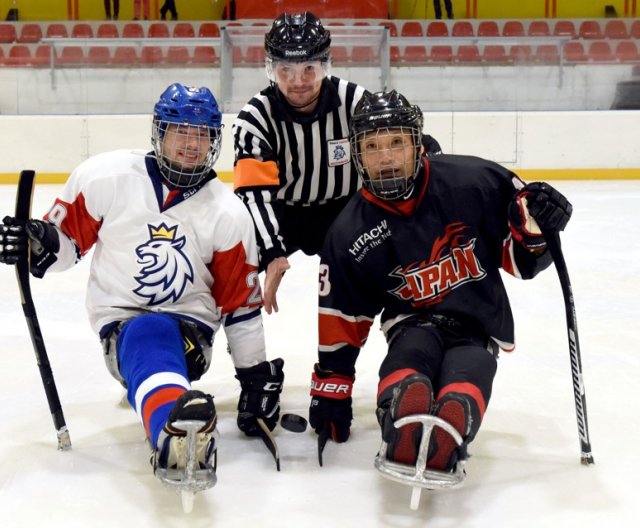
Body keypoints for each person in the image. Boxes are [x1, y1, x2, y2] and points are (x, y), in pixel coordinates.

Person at [0, 83, 284, 491]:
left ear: (214, 141)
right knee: (145, 332)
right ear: (159, 133)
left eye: (201, 134)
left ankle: (171, 423)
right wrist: (37, 242)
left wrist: (254, 376)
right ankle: (173, 431)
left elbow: (238, 305)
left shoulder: (229, 213)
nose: (191, 144)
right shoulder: (105, 177)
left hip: (191, 333)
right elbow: (63, 251)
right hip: (118, 323)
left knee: (156, 333)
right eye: (180, 132)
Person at [308, 91, 572, 481]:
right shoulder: (350, 230)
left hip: (476, 323)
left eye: (396, 142)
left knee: (471, 369)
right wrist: (332, 386)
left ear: (417, 144)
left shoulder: (474, 182)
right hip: (410, 324)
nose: (385, 157)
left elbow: (521, 261)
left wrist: (537, 229)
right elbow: (343, 314)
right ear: (357, 154)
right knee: (409, 361)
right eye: (373, 146)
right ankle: (403, 415)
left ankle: (452, 423)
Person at [233, 11, 368, 314]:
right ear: (271, 69)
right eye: (286, 70)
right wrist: (270, 253)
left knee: (384, 268)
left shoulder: (356, 102)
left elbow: (392, 150)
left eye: (309, 68)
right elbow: (254, 196)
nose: (298, 82)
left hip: (343, 211)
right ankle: (248, 357)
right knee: (235, 273)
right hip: (283, 214)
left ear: (324, 66)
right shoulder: (254, 119)